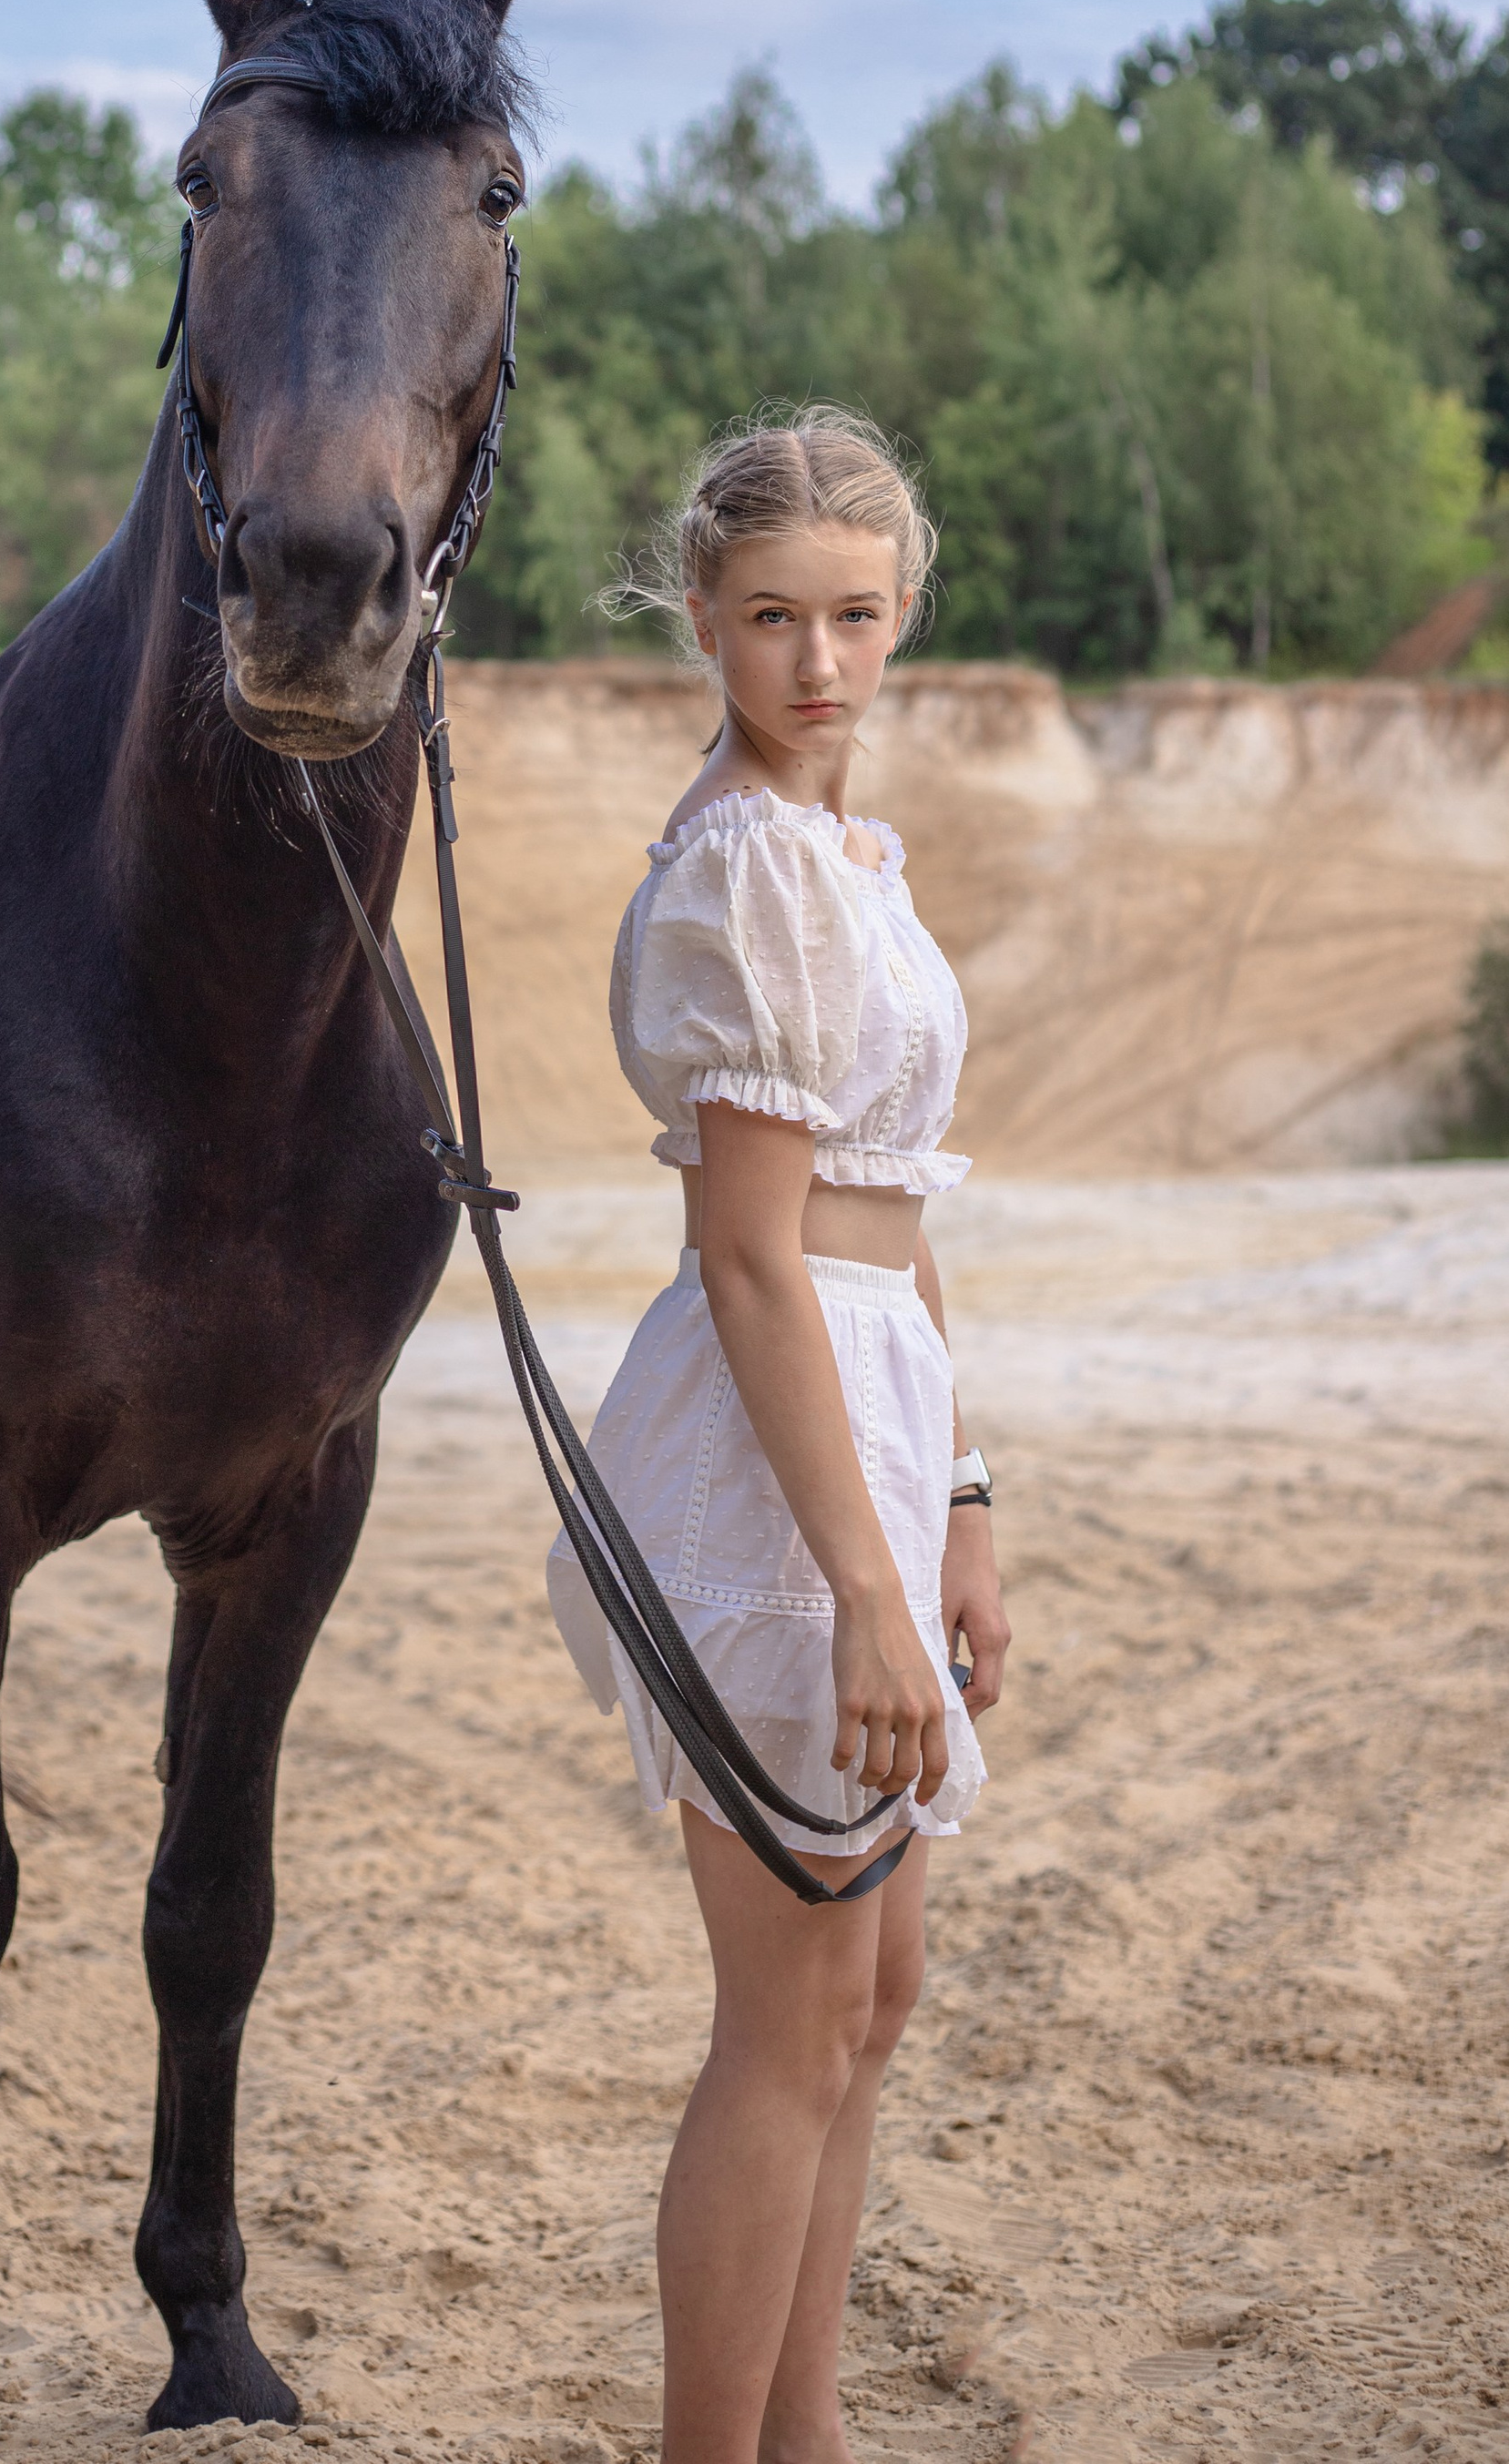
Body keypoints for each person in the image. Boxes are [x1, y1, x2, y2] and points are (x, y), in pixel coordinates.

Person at [548, 407, 1010, 2464]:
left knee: (868, 1992)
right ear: (702, 625)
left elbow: (892, 1210)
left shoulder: (843, 857)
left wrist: (961, 1513)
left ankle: (802, 2441)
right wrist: (857, 1590)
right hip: (771, 1452)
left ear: (901, 611)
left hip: (878, 1417)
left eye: (849, 613)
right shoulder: (744, 872)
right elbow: (749, 1259)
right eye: (766, 619)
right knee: (789, 2011)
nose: (814, 661)